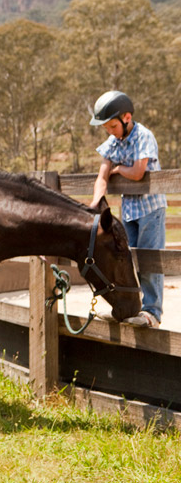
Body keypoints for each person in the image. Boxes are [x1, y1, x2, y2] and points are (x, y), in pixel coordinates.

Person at [89, 90, 166, 328]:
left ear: (127, 118)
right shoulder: (113, 142)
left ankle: (152, 312)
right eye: (106, 128)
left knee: (148, 258)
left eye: (113, 126)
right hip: (130, 210)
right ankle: (125, 310)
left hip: (150, 208)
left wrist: (120, 169)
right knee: (125, 259)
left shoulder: (143, 136)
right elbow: (102, 177)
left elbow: (137, 172)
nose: (110, 132)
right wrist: (94, 205)